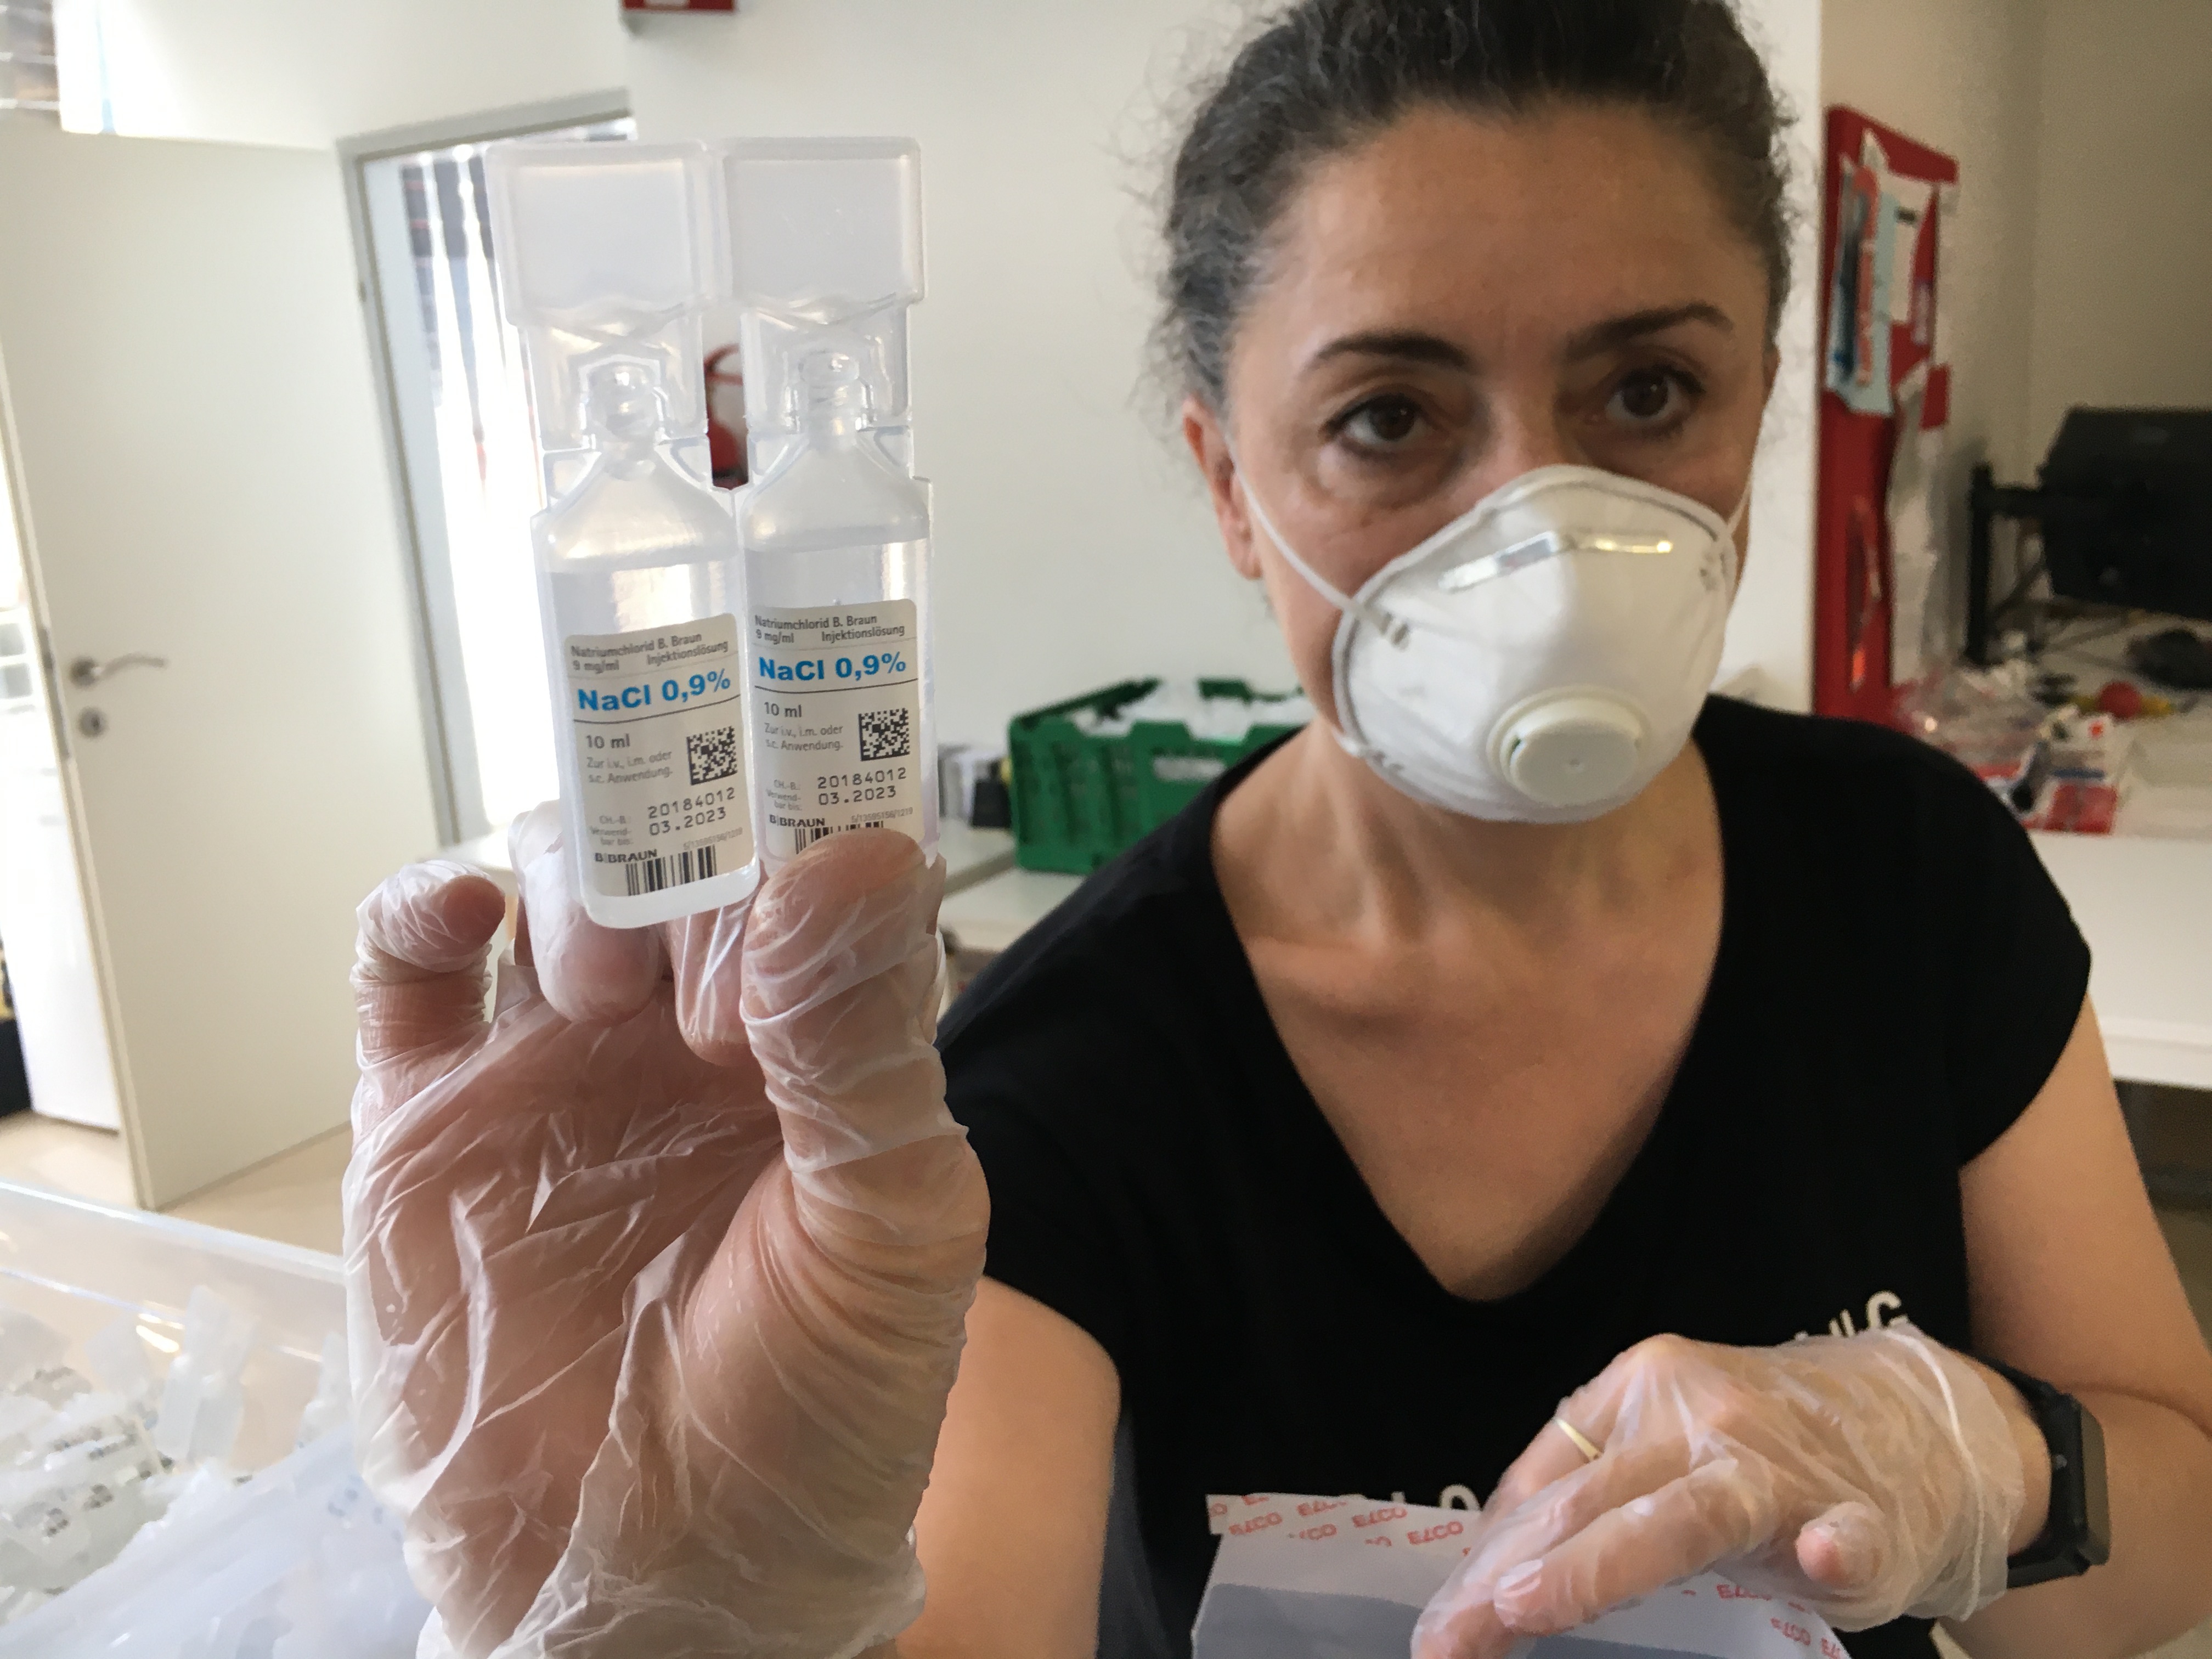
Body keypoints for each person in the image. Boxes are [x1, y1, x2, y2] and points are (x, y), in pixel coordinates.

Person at [345, 3, 2212, 1657]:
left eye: (1648, 392)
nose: (1542, 534)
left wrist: (1990, 1464)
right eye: (1390, 418)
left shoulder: (1909, 874)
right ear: (1231, 487)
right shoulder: (1070, 1076)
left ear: (1755, 405)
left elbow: (2164, 1546)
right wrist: (702, 1623)